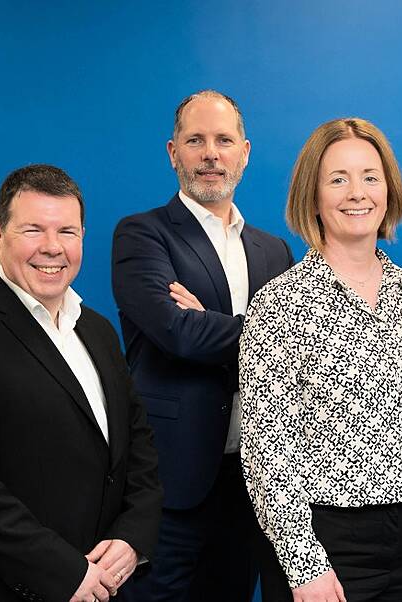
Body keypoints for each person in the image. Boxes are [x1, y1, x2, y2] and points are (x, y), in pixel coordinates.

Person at [0, 164, 162, 601]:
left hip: (106, 584)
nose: (52, 248)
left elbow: (138, 449)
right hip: (8, 590)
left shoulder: (96, 329)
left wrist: (133, 539)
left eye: (67, 232)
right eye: (33, 230)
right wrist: (65, 572)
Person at [240, 117, 402, 601]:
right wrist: (304, 564)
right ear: (313, 195)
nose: (357, 193)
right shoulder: (279, 305)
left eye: (370, 177)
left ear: (389, 189)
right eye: (338, 179)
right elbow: (266, 450)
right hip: (326, 544)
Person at [111, 90, 294, 601]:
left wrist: (212, 322)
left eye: (223, 140)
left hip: (254, 483)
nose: (210, 154)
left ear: (245, 152)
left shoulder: (272, 249)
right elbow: (177, 333)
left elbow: (294, 356)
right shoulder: (142, 235)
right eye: (196, 140)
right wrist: (269, 331)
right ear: (174, 152)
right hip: (171, 482)